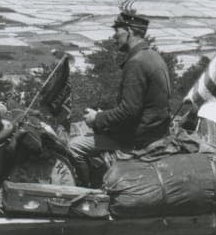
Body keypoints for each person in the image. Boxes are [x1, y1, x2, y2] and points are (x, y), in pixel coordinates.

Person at [68, 10, 172, 184]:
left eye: (117, 30)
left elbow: (129, 111)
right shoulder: (153, 56)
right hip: (155, 132)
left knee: (74, 146)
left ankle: (87, 191)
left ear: (129, 31)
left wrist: (98, 118)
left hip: (137, 138)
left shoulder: (136, 62)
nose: (114, 36)